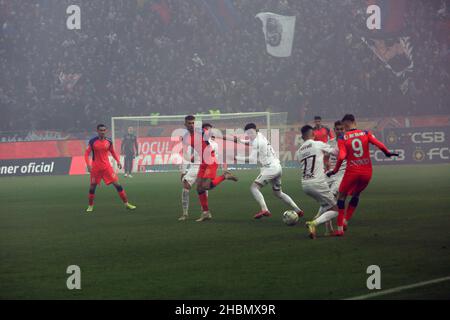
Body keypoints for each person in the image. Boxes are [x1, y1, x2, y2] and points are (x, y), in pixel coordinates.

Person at [326, 114, 399, 236]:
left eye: (344, 126)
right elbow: (379, 144)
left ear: (345, 125)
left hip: (352, 172)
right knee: (356, 194)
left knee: (341, 197)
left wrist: (334, 171)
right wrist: (387, 153)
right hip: (367, 172)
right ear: (354, 122)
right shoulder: (366, 133)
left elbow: (342, 156)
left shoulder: (343, 137)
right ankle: (345, 220)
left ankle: (339, 229)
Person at [233, 123, 304, 219]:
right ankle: (298, 210)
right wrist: (240, 141)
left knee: (254, 188)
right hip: (277, 167)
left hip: (270, 168)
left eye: (251, 132)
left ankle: (264, 209)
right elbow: (251, 142)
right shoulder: (260, 136)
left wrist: (236, 158)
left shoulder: (257, 142)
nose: (249, 135)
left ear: (255, 130)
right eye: (248, 133)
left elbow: (252, 159)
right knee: (278, 193)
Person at [181, 115, 238, 222]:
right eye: (189, 123)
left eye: (193, 123)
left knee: (206, 187)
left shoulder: (201, 132)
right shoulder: (185, 137)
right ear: (185, 124)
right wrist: (187, 162)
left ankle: (224, 176)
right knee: (199, 189)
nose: (192, 125)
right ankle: (206, 213)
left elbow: (219, 135)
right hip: (202, 162)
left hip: (210, 161)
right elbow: (185, 152)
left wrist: (233, 139)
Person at [296, 125, 339, 239]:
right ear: (313, 134)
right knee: (335, 210)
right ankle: (313, 223)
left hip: (305, 185)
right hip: (318, 183)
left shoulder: (299, 151)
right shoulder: (317, 144)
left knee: (325, 205)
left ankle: (327, 229)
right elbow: (335, 152)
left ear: (302, 136)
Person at [84, 124, 136, 213]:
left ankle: (127, 204)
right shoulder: (92, 141)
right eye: (101, 130)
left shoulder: (109, 141)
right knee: (92, 187)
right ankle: (90, 206)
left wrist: (118, 161)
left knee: (118, 185)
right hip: (96, 168)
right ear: (97, 131)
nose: (103, 132)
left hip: (107, 168)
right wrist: (88, 165)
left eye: (104, 130)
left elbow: (112, 152)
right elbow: (86, 153)